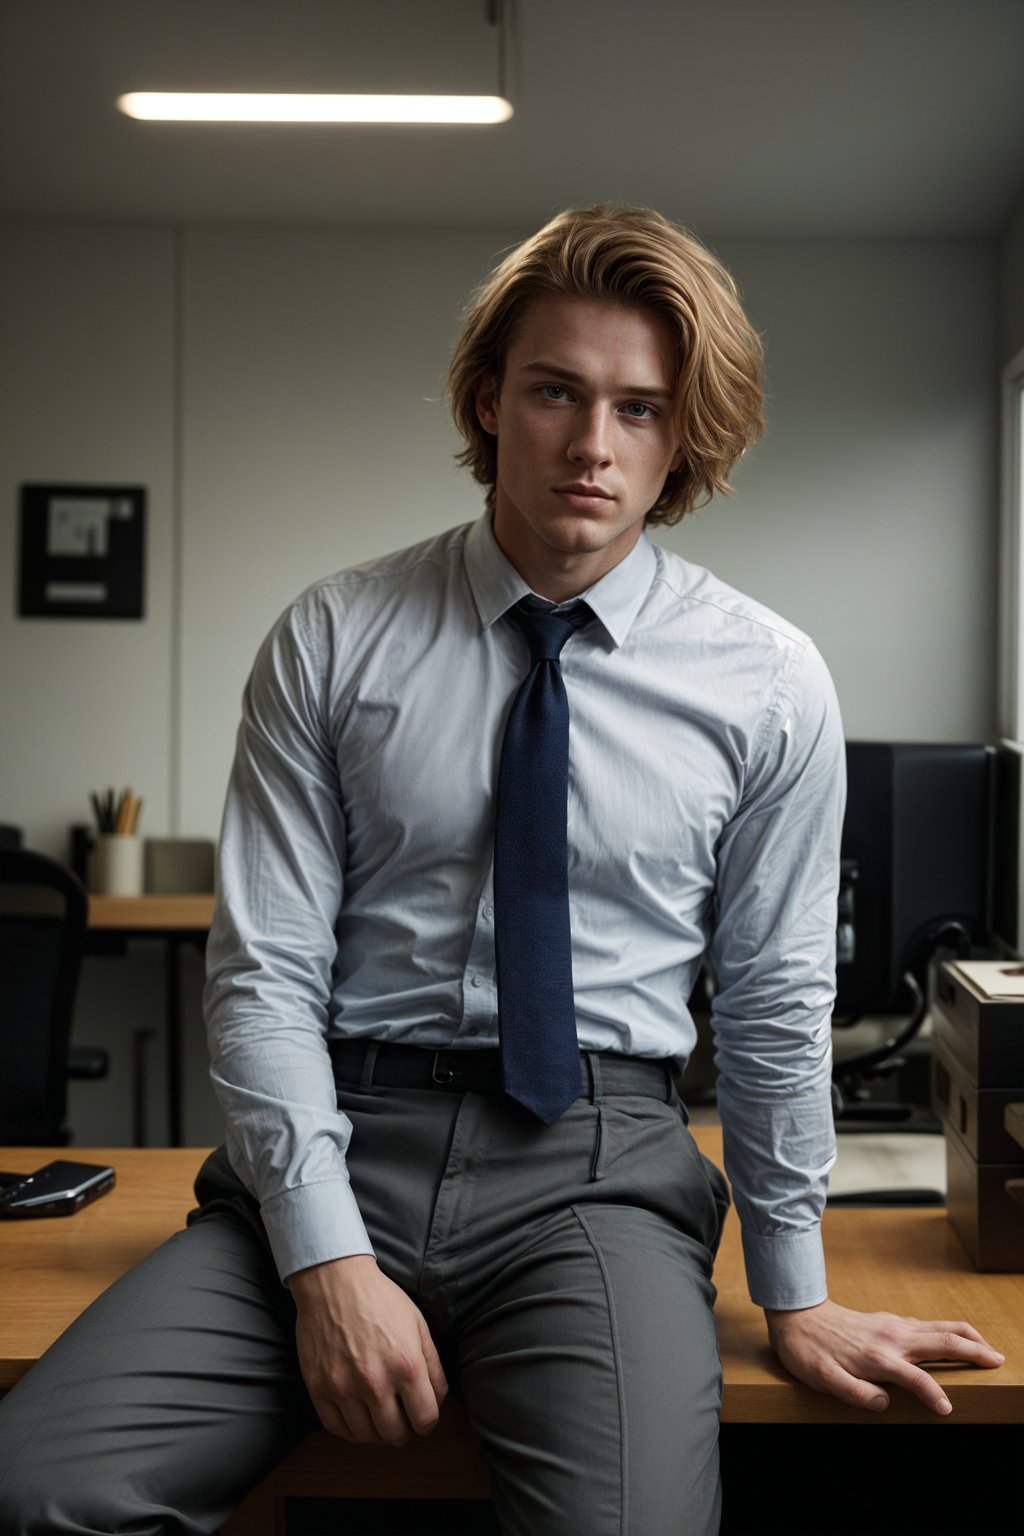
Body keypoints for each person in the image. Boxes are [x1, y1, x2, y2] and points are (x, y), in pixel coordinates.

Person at [0, 203, 1003, 1536]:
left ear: (680, 437)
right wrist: (326, 1264)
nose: (594, 446)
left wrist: (795, 1286)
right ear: (488, 402)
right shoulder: (336, 639)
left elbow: (772, 996)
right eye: (556, 393)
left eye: (640, 410)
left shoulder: (768, 682)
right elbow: (264, 979)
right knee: (40, 1488)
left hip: (598, 1163)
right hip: (341, 1137)